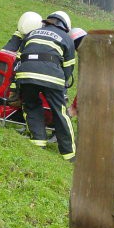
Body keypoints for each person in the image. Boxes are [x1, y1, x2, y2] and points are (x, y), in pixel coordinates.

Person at [15, 11, 76, 162]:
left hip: (26, 74)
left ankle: (38, 141)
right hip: (52, 76)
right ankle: (69, 154)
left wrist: (14, 85)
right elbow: (68, 68)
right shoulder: (67, 39)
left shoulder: (32, 33)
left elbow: (18, 58)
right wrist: (61, 85)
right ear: (65, 26)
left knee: (31, 105)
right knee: (59, 112)